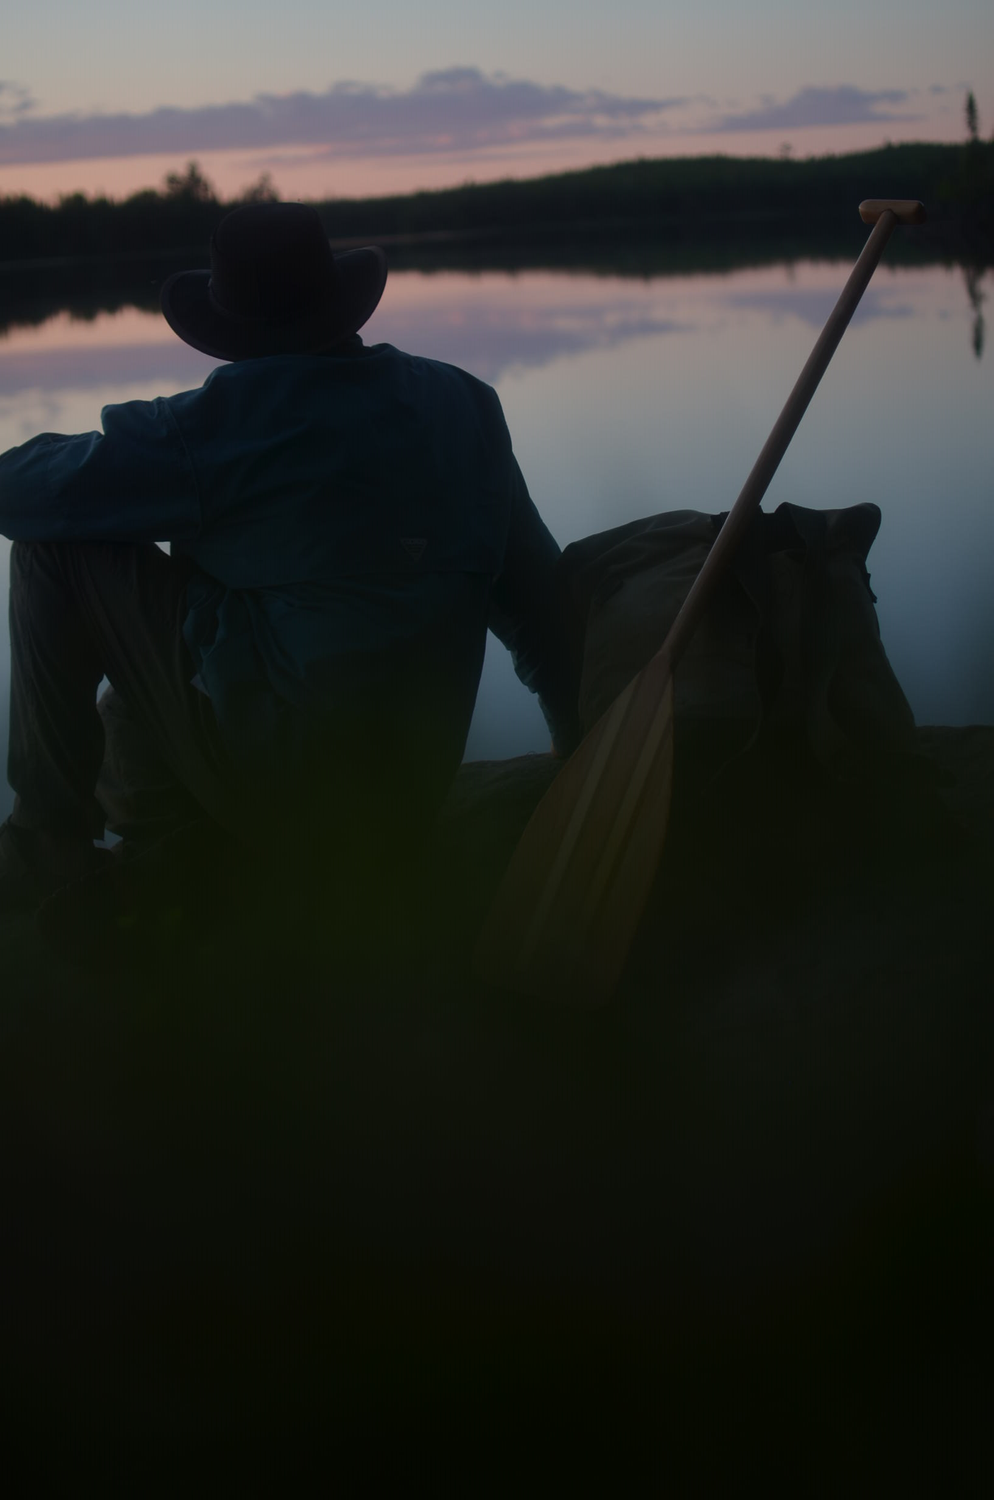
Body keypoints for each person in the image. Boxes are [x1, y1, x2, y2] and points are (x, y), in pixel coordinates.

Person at [0, 202, 579, 924]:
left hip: (290, 796)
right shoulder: (464, 404)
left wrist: (108, 462)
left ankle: (45, 861)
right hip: (410, 794)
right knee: (168, 659)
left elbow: (23, 492)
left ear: (231, 328)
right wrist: (580, 751)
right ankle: (179, 853)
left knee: (51, 551)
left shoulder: (220, 427)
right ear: (337, 300)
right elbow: (543, 614)